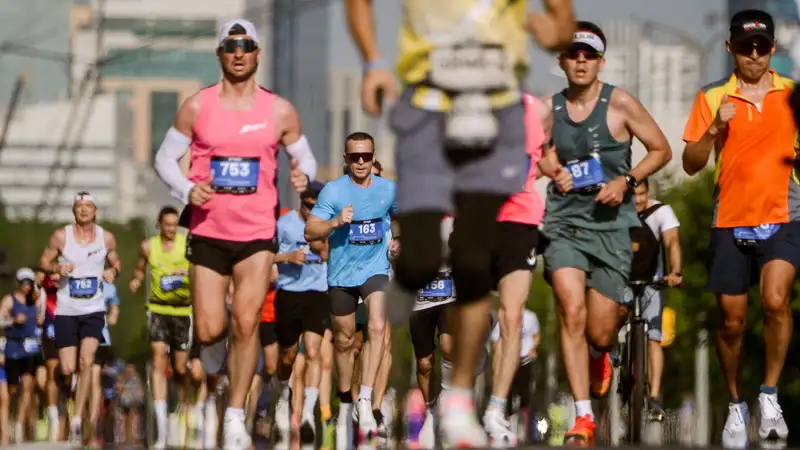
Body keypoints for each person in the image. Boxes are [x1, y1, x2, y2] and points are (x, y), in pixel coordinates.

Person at [345, 0, 577, 444]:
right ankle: (409, 275)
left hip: (494, 113)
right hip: (428, 109)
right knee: (423, 255)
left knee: (471, 262)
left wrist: (561, 30)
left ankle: (459, 399)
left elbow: (561, 16)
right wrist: (373, 60)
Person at [152, 18, 316, 449]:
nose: (239, 52)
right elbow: (164, 159)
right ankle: (213, 357)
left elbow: (307, 159)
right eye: (230, 46)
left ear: (258, 53)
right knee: (209, 330)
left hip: (257, 234)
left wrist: (303, 178)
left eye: (246, 45)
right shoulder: (197, 106)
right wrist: (187, 188)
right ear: (220, 54)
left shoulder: (279, 110)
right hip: (208, 231)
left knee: (246, 323)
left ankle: (236, 416)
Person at [538, 22, 672, 445]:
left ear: (601, 62)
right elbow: (533, 151)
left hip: (612, 225)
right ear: (561, 61)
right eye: (573, 54)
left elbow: (661, 149)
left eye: (589, 55)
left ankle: (600, 355)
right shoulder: (547, 109)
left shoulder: (621, 103)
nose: (581, 61)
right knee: (570, 309)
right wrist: (550, 166)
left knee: (599, 330)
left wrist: (627, 182)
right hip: (564, 223)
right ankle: (583, 418)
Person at [681, 9, 796, 448]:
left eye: (762, 46)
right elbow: (691, 164)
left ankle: (769, 397)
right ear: (730, 47)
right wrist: (714, 129)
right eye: (746, 47)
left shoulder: (792, 94)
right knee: (732, 322)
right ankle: (735, 405)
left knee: (775, 299)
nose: (754, 55)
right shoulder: (712, 96)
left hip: (786, 214)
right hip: (730, 216)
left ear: (772, 48)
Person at [305, 131, 397, 446]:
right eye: (354, 157)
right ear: (346, 159)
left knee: (376, 324)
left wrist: (399, 240)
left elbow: (403, 220)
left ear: (373, 157)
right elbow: (309, 231)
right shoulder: (333, 191)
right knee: (344, 342)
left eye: (366, 156)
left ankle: (366, 398)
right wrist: (334, 223)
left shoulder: (388, 189)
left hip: (375, 269)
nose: (361, 162)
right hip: (342, 275)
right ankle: (346, 396)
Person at [483, 92, 548, 446]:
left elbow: (547, 157)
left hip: (520, 222)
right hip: (476, 222)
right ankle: (460, 391)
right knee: (471, 317)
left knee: (512, 317)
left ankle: (495, 408)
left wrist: (561, 172)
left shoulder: (536, 109)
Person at [38, 191, 122, 444]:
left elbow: (116, 262)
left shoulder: (105, 237)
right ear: (74, 211)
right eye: (79, 207)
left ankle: (77, 420)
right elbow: (43, 262)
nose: (84, 210)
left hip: (93, 310)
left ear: (96, 211)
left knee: (87, 362)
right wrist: (56, 268)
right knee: (67, 368)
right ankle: (67, 401)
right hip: (66, 310)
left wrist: (112, 272)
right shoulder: (61, 236)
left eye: (88, 207)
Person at [130, 206, 195, 449]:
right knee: (158, 360)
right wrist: (136, 279)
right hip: (158, 309)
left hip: (182, 311)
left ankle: (181, 409)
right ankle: (161, 427)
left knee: (179, 368)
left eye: (174, 224)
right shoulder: (149, 246)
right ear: (159, 225)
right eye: (167, 225)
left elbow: (198, 269)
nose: (171, 229)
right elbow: (140, 267)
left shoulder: (187, 243)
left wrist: (185, 271)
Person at [272, 181, 329, 443]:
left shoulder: (328, 223)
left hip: (317, 293)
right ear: (301, 202)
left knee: (314, 352)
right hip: (288, 293)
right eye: (308, 206)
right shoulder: (284, 224)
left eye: (316, 208)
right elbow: (264, 255)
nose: (311, 212)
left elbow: (337, 255)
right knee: (288, 357)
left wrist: (323, 248)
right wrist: (287, 258)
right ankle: (283, 396)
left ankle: (308, 412)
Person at [626, 178, 682, 421]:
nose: (638, 200)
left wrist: (675, 272)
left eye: (642, 194)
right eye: (633, 195)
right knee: (607, 326)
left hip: (651, 281)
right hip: (621, 280)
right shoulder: (617, 210)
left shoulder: (661, 211)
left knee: (654, 338)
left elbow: (672, 243)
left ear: (648, 192)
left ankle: (655, 397)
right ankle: (613, 356)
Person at [407, 215, 455, 448]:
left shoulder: (454, 218)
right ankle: (430, 410)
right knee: (424, 363)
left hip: (449, 295)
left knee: (449, 347)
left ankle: (446, 398)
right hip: (420, 303)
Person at [0, 268, 43, 443]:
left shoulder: (36, 300)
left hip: (30, 348)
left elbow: (41, 318)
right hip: (13, 347)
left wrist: (40, 321)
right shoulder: (9, 300)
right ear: (18, 283)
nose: (26, 286)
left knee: (28, 385)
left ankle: (19, 423)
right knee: (12, 389)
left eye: (29, 283)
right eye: (23, 282)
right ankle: (9, 420)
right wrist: (13, 321)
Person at [490, 308, 540, 441]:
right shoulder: (502, 316)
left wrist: (533, 348)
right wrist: (499, 357)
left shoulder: (531, 316)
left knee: (525, 394)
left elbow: (536, 336)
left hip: (525, 360)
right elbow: (495, 340)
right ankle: (508, 425)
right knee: (508, 394)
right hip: (508, 362)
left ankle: (525, 426)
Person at [90, 276, 120, 446]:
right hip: (78, 335)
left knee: (95, 382)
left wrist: (112, 315)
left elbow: (114, 314)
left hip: (101, 339)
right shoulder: (80, 278)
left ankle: (93, 428)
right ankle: (81, 421)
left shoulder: (110, 287)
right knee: (83, 381)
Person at [35, 268, 62, 442]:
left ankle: (68, 407)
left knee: (68, 371)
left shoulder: (76, 269)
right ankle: (53, 417)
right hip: (51, 325)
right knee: (51, 370)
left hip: (72, 323)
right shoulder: (44, 279)